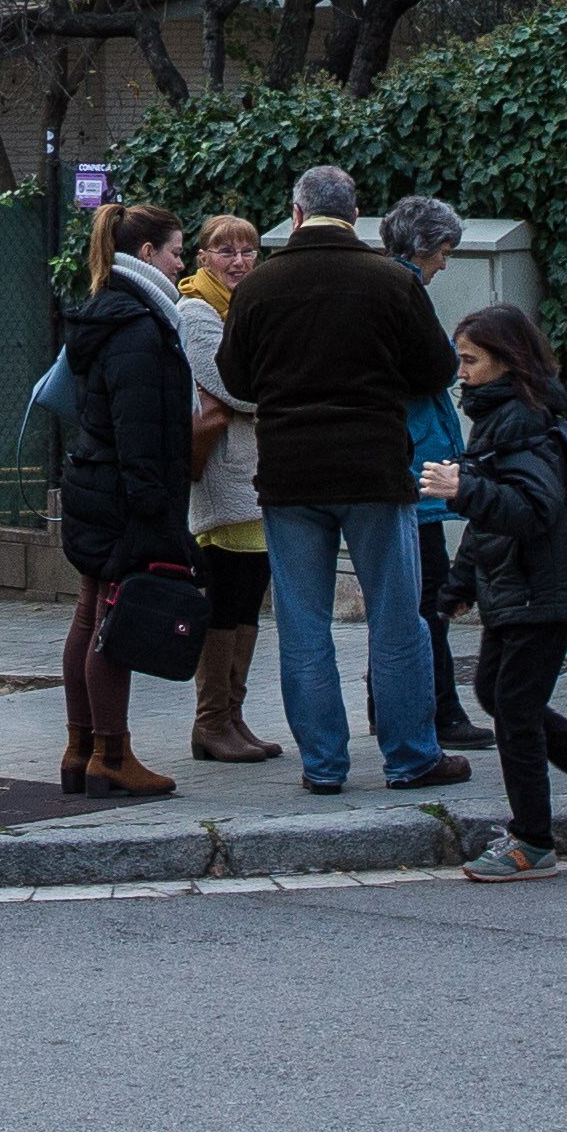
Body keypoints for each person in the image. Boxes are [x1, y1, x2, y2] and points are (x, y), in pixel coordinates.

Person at [215, 165, 462, 792]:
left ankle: (323, 766)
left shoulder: (258, 288)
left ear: (296, 215)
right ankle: (411, 758)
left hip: (291, 475)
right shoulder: (391, 281)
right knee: (397, 619)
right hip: (375, 469)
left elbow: (238, 382)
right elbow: (437, 369)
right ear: (357, 217)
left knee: (303, 624)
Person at [429, 304, 567, 880]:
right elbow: (490, 522)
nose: (461, 373)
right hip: (516, 585)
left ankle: (532, 841)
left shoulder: (524, 423)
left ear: (507, 361)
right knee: (497, 695)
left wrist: (463, 490)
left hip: (541, 587)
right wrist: (460, 583)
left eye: (471, 360)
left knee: (514, 707)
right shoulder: (503, 418)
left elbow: (533, 509)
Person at [52, 205, 200, 798]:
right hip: (124, 494)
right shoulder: (139, 327)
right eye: (175, 250)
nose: (181, 262)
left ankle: (81, 748)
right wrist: (154, 510)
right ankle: (111, 755)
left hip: (95, 483)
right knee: (114, 617)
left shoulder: (109, 314)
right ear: (145, 255)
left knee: (91, 612)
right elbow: (139, 426)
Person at [377, 195, 487, 752]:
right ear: (423, 247)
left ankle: (386, 702)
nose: (445, 263)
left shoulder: (385, 286)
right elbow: (432, 368)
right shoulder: (404, 291)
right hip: (411, 461)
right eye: (443, 252)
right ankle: (440, 710)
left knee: (406, 597)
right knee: (427, 599)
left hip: (404, 454)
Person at [168, 213, 276, 764]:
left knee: (249, 596)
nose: (238, 261)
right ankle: (211, 721)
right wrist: (284, 392)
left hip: (255, 473)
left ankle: (232, 716)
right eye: (225, 251)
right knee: (228, 595)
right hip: (225, 472)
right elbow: (228, 385)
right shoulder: (196, 309)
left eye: (247, 250)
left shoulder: (248, 306)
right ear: (204, 257)